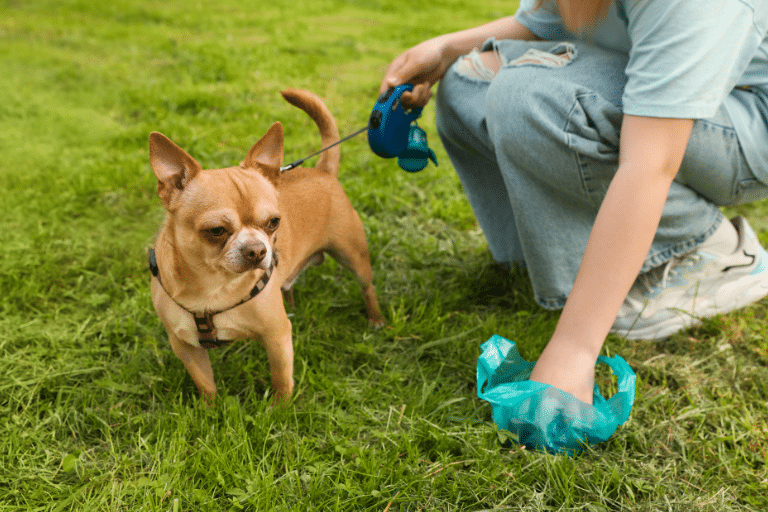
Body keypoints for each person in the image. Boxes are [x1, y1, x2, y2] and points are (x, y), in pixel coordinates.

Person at [380, 0, 768, 404]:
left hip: (745, 121)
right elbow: (547, 22)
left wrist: (574, 350)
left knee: (530, 98)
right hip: (652, 76)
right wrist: (446, 49)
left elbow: (649, 166)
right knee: (469, 79)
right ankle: (574, 258)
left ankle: (707, 249)